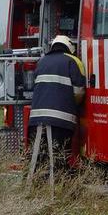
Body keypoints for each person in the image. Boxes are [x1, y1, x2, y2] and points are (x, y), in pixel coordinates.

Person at [27, 35, 85, 187]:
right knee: (58, 158)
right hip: (61, 120)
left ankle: (34, 189)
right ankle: (57, 190)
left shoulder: (41, 61)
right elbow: (79, 91)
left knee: (38, 158)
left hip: (36, 118)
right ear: (70, 47)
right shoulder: (74, 61)